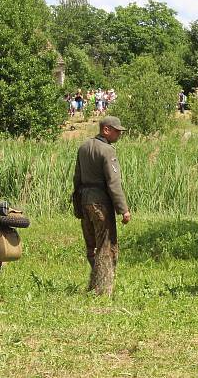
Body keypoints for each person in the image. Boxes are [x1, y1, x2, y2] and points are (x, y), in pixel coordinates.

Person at [72, 116, 132, 296]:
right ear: (106, 129)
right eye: (117, 131)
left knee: (91, 245)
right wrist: (123, 209)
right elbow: (114, 183)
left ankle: (94, 283)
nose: (119, 134)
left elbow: (77, 178)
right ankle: (103, 289)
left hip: (85, 201)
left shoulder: (83, 147)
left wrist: (78, 204)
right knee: (106, 245)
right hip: (101, 203)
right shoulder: (107, 151)